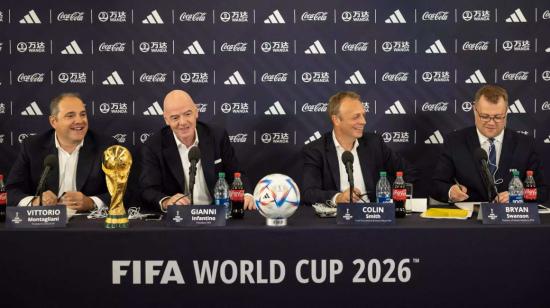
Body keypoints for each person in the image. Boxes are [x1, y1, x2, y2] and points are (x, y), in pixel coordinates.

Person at [139, 89, 255, 212]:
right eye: (175, 117)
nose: (183, 122)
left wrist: (246, 194)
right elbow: (148, 189)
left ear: (196, 112)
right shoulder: (153, 145)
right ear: (166, 120)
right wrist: (167, 201)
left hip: (216, 213)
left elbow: (236, 173)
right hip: (178, 218)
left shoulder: (217, 136)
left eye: (187, 114)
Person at [431, 85, 548, 203]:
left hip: (511, 217)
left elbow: (543, 190)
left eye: (498, 117)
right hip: (470, 218)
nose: (491, 123)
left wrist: (518, 196)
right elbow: (436, 185)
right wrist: (451, 191)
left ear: (506, 112)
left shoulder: (525, 144)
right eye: (485, 116)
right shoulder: (455, 142)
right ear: (474, 110)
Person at [302, 91, 417, 205]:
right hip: (336, 219)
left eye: (363, 115)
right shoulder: (316, 150)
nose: (363, 121)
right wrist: (338, 198)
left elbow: (408, 173)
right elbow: (309, 192)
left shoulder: (375, 143)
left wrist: (391, 198)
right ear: (336, 120)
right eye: (356, 117)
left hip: (375, 217)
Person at [6, 93, 114, 211]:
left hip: (88, 223)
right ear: (54, 121)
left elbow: (125, 191)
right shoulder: (33, 146)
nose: (79, 120)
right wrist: (36, 201)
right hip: (45, 223)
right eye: (70, 116)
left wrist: (91, 202)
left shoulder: (106, 147)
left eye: (82, 114)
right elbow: (11, 191)